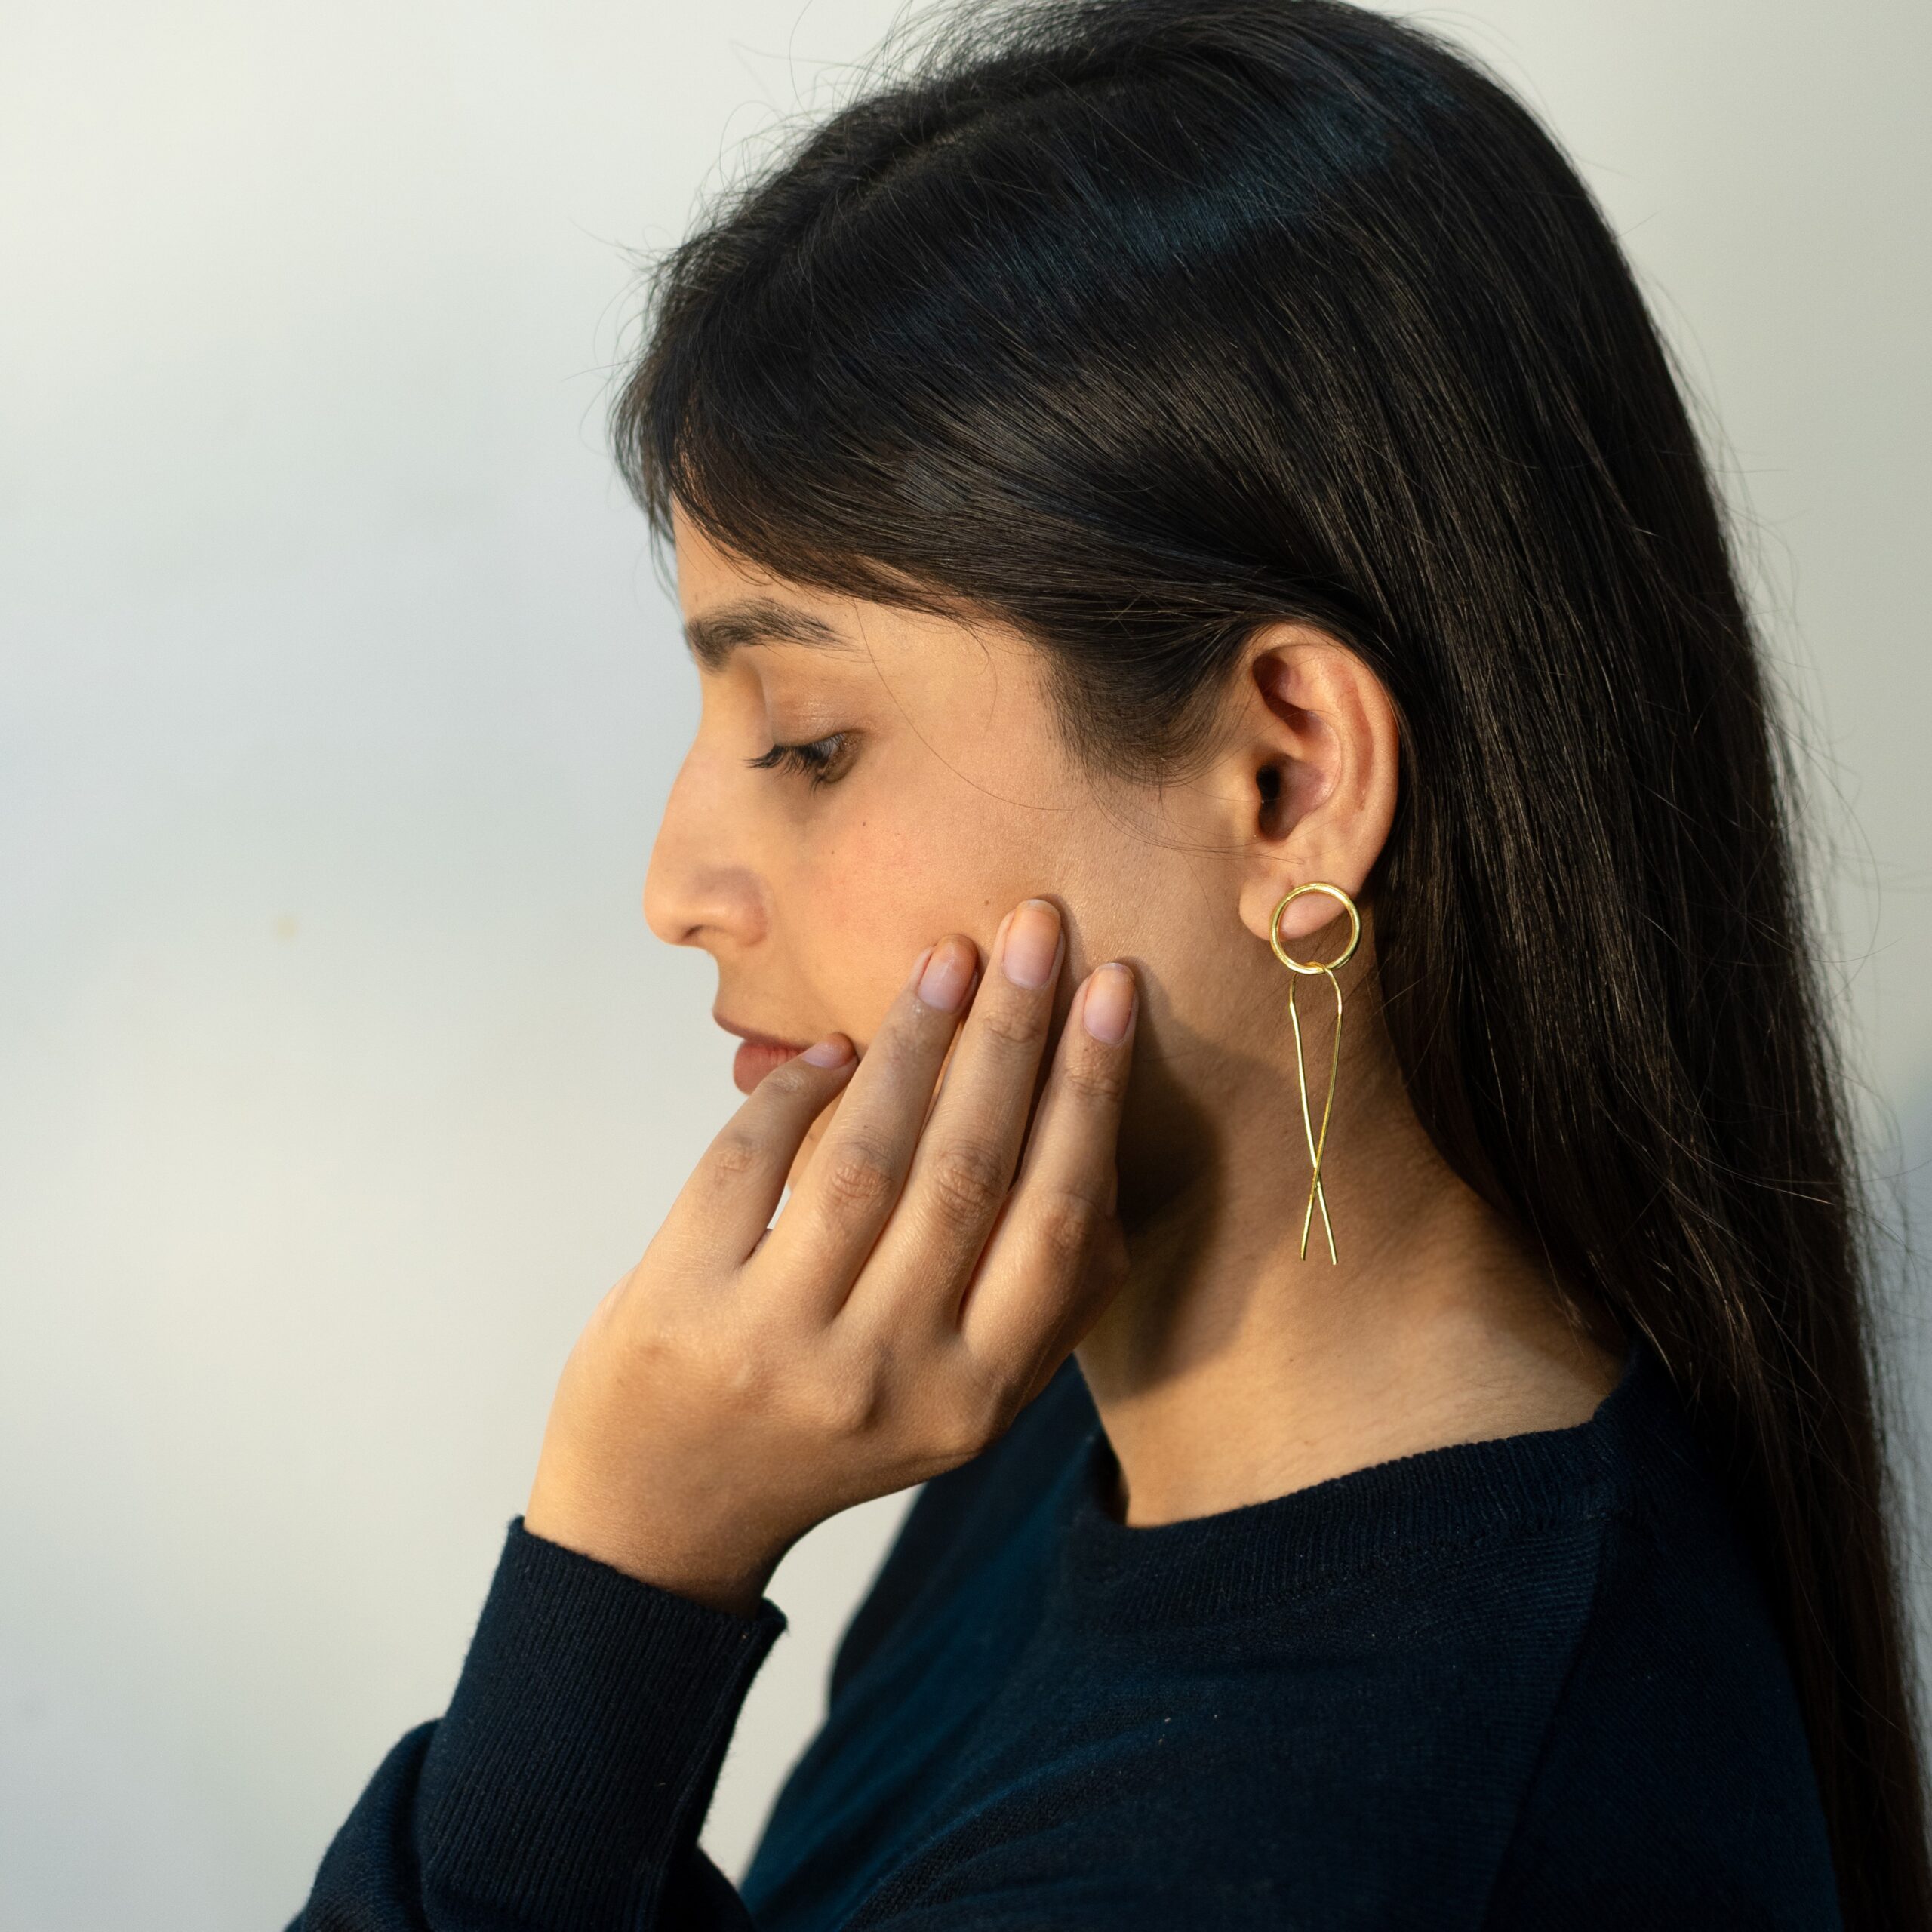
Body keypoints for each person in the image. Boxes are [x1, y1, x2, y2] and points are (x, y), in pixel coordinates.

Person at [287, 1, 1931, 1926]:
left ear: (1285, 776)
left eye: (806, 740)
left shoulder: (1342, 1844)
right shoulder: (1053, 1402)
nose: (677, 881)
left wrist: (621, 1566)